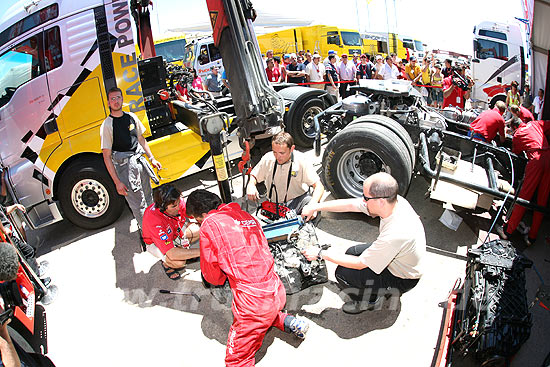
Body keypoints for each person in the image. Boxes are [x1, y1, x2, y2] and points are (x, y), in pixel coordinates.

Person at [186, 189, 309, 367]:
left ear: (203, 214)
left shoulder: (209, 223)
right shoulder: (245, 215)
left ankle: (276, 321)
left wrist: (218, 280)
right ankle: (288, 321)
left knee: (236, 360)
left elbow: (211, 274)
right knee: (266, 312)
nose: (199, 223)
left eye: (197, 220)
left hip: (253, 304)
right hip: (275, 288)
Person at [301, 173, 425, 314]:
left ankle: (369, 300)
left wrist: (320, 253)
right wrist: (315, 207)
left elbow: (360, 264)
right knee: (351, 252)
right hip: (396, 256)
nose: (363, 201)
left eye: (366, 197)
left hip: (402, 277)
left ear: (380, 201)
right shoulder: (395, 202)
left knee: (343, 273)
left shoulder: (395, 234)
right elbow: (351, 204)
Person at [101, 87, 161, 231]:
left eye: (118, 97)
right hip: (125, 169)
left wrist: (152, 158)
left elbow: (141, 139)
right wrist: (117, 182)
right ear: (108, 103)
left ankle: (155, 228)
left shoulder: (131, 117)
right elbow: (107, 156)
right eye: (113, 99)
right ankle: (148, 234)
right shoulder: (107, 125)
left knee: (149, 199)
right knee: (138, 204)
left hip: (140, 163)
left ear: (122, 99)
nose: (116, 101)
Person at [246, 132, 324, 218]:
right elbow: (254, 176)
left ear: (292, 149)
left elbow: (319, 186)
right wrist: (251, 185)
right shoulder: (268, 158)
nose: (277, 157)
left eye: (282, 153)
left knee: (314, 207)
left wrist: (312, 206)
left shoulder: (301, 160)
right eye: (275, 152)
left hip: (297, 201)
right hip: (274, 205)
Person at [500, 120, 550, 246]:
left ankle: (508, 231)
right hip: (549, 158)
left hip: (535, 161)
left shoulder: (517, 134)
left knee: (523, 198)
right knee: (542, 201)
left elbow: (515, 152)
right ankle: (532, 238)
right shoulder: (536, 124)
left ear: (514, 128)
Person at [142, 185, 200, 280]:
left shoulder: (175, 201)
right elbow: (172, 253)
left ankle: (181, 248)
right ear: (162, 207)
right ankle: (166, 264)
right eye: (173, 206)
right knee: (179, 262)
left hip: (175, 231)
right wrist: (202, 252)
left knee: (201, 229)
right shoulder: (153, 220)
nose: (178, 207)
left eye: (178, 203)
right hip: (155, 243)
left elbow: (192, 214)